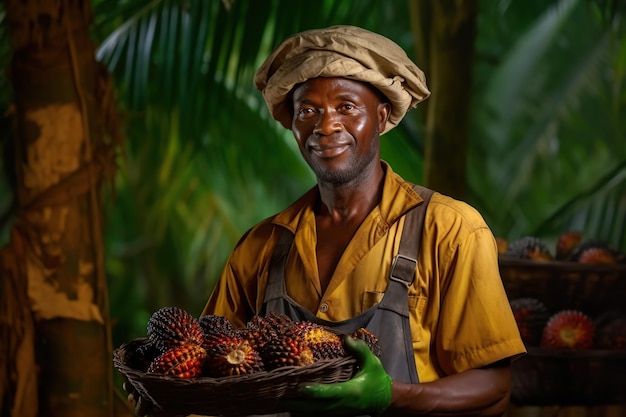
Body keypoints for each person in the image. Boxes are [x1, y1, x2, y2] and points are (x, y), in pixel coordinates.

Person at [128, 25, 526, 417]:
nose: (325, 125)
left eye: (347, 107)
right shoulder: (261, 247)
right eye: (308, 111)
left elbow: (494, 389)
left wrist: (393, 396)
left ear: (382, 114)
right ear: (293, 123)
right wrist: (171, 390)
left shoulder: (449, 230)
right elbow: (210, 362)